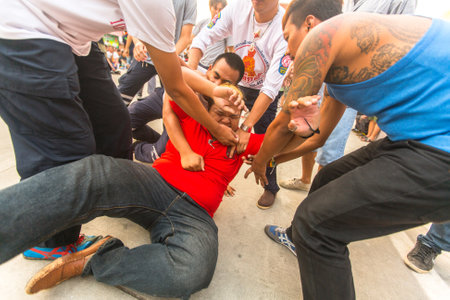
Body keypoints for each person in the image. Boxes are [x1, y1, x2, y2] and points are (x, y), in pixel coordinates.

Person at [0, 0, 241, 262]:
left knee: (116, 125)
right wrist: (212, 127)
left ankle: (100, 196)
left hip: (76, 41)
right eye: (215, 77)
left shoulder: (163, 12)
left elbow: (177, 70)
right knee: (67, 153)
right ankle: (50, 242)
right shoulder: (157, 7)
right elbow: (175, 90)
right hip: (23, 31)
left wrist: (214, 93)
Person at [245, 0, 450, 299]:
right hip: (415, 138)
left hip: (437, 150)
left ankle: (307, 237)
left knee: (315, 227)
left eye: (287, 37)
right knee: (332, 175)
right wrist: (275, 158)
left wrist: (261, 162)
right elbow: (316, 137)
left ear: (310, 24)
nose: (287, 51)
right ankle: (295, 239)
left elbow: (281, 123)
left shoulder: (323, 36)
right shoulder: (342, 66)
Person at [0, 74, 273, 298]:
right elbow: (174, 75)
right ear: (207, 110)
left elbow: (286, 140)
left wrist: (303, 126)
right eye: (221, 113)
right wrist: (214, 89)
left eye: (233, 117)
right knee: (95, 174)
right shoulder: (193, 117)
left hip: (195, 216)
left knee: (190, 273)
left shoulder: (243, 141)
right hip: (154, 185)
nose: (227, 121)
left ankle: (95, 259)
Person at [279, 0, 416, 192]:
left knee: (330, 148)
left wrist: (268, 159)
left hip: (355, 82)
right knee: (308, 128)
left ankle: (315, 197)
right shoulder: (345, 4)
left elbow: (405, 41)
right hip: (327, 71)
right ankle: (305, 180)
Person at [189, 0, 290, 209]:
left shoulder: (284, 27)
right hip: (233, 85)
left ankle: (270, 186)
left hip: (264, 92)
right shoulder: (236, 8)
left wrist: (246, 127)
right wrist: (190, 79)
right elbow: (201, 39)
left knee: (267, 139)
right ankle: (213, 173)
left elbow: (271, 88)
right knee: (216, 127)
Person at [131, 52, 245, 163]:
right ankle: (155, 140)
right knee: (126, 121)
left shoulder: (228, 103)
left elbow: (173, 119)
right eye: (216, 76)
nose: (216, 83)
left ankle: (134, 148)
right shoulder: (196, 76)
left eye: (225, 82)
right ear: (209, 69)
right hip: (163, 99)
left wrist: (241, 133)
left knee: (157, 154)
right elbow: (168, 113)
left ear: (234, 86)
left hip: (179, 119)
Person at [118, 0, 197, 106]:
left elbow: (185, 36)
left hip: (173, 58)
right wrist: (137, 43)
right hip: (146, 57)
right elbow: (136, 21)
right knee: (120, 98)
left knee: (174, 105)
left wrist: (168, 56)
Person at [192, 0, 231, 73]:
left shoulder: (226, 27)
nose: (217, 12)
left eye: (220, 9)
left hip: (215, 67)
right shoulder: (202, 23)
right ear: (210, 8)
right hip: (200, 64)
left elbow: (231, 50)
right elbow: (190, 39)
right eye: (215, 8)